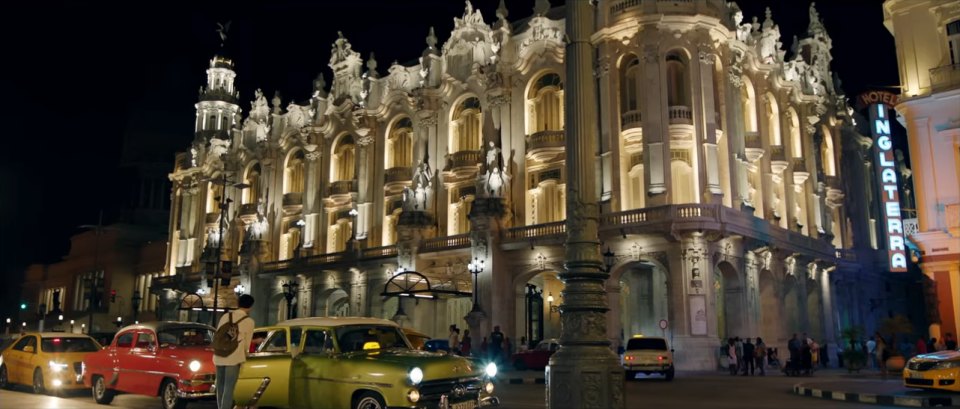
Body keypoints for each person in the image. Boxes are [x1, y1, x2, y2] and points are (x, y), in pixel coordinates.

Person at [214, 294, 255, 409]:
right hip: (234, 357)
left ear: (238, 304)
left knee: (220, 387)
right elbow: (247, 343)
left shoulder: (225, 316)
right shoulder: (249, 321)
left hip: (219, 355)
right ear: (251, 306)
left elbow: (218, 334)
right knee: (229, 388)